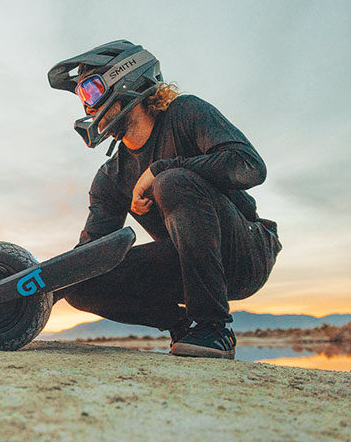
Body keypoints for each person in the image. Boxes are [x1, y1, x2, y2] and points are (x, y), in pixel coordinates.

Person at [47, 40, 281, 359]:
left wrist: (161, 169)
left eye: (90, 90)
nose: (87, 107)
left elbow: (249, 167)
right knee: (81, 280)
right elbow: (92, 253)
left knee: (172, 182)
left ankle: (215, 328)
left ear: (125, 77)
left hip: (246, 253)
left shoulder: (185, 113)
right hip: (185, 265)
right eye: (81, 98)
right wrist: (43, 286)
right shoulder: (110, 178)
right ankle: (184, 328)